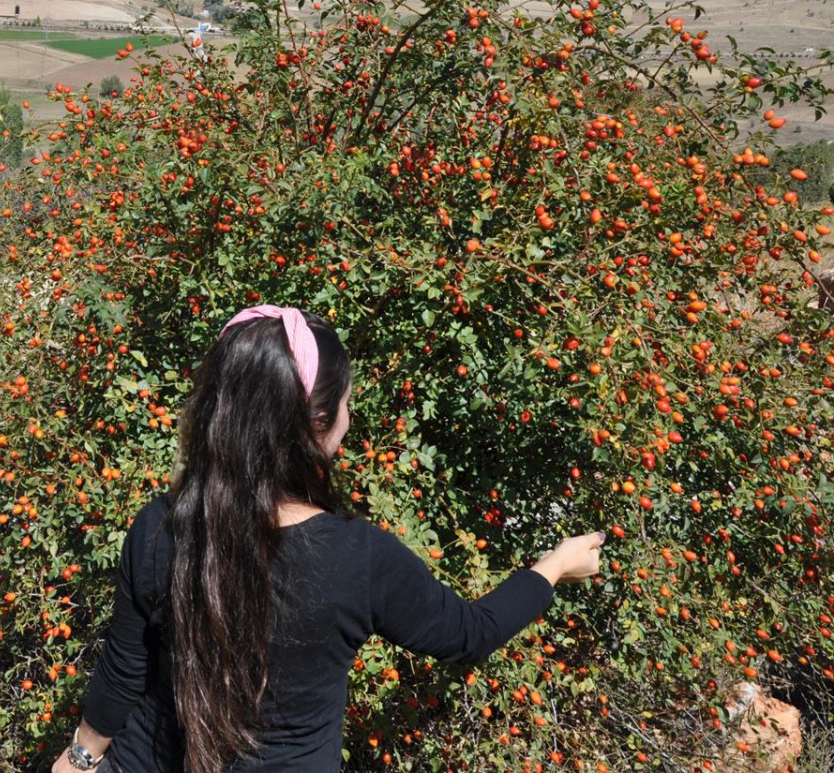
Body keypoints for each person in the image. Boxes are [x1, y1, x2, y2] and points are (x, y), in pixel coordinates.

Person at [53, 306, 604, 773]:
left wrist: (78, 759)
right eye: (344, 403)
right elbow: (470, 634)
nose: (348, 415)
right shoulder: (357, 557)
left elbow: (126, 672)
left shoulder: (159, 527)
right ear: (317, 423)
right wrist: (553, 567)